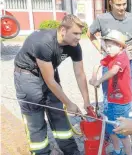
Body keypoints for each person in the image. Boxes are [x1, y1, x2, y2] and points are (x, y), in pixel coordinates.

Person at [13, 14, 90, 155]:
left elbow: (80, 74)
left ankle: (71, 151)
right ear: (63, 30)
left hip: (49, 72)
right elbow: (49, 81)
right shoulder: (43, 42)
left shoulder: (74, 46)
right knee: (35, 120)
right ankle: (41, 152)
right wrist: (69, 103)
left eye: (80, 33)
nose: (79, 37)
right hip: (27, 75)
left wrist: (86, 101)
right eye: (75, 33)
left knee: (58, 112)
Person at [87, 0, 132, 95]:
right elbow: (89, 34)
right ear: (111, 3)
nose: (122, 8)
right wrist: (99, 48)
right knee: (108, 92)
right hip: (109, 62)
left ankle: (128, 109)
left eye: (124, 4)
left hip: (127, 62)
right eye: (118, 5)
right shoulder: (102, 19)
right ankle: (108, 109)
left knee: (126, 91)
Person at [89, 30, 132, 155]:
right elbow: (98, 65)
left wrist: (99, 81)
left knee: (122, 131)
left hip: (121, 102)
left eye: (110, 46)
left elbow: (113, 71)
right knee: (110, 128)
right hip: (110, 100)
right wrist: (93, 77)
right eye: (106, 46)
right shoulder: (111, 56)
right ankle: (117, 151)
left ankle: (129, 152)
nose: (106, 49)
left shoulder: (122, 57)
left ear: (120, 46)